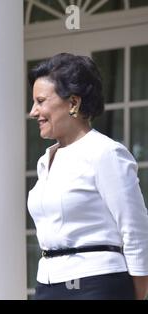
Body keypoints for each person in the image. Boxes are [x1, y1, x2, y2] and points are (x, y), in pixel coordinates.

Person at [27, 53, 148, 300]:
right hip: (47, 284)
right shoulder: (45, 160)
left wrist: (135, 295)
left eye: (40, 101)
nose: (32, 112)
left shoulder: (106, 153)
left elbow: (135, 230)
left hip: (97, 284)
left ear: (73, 103)